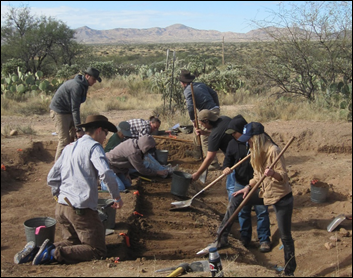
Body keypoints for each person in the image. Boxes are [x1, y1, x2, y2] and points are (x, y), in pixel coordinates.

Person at [14, 114, 124, 265]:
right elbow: (105, 173)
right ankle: (51, 253)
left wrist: (58, 196)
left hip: (61, 208)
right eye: (106, 133)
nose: (106, 137)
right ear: (99, 130)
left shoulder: (69, 147)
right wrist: (116, 197)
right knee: (97, 250)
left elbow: (52, 177)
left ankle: (35, 250)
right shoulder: (94, 147)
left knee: (73, 243)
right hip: (80, 209)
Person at [205, 122, 296, 276]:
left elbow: (284, 177)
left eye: (249, 138)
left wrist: (273, 174)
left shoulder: (273, 151)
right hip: (264, 192)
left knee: (286, 236)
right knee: (236, 199)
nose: (247, 141)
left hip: (280, 197)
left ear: (258, 137)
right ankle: (221, 237)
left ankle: (289, 271)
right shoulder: (255, 149)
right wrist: (248, 186)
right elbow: (257, 175)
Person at [223, 115, 271, 252]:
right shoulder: (232, 144)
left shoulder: (258, 142)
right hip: (240, 182)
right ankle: (245, 238)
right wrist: (226, 167)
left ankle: (264, 239)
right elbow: (228, 160)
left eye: (234, 133)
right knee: (242, 211)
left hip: (258, 183)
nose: (233, 135)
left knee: (261, 211)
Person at [49, 67, 102, 161]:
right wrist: (78, 128)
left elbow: (75, 108)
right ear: (87, 76)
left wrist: (77, 128)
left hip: (68, 111)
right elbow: (75, 108)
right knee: (64, 140)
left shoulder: (83, 85)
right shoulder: (77, 86)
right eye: (93, 79)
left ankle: (69, 162)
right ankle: (57, 169)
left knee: (72, 138)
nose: (94, 82)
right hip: (60, 112)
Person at [179, 69, 221, 169]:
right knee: (196, 130)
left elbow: (190, 106)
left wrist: (193, 119)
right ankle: (197, 152)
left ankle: (213, 163)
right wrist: (216, 106)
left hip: (207, 113)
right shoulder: (200, 84)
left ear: (183, 83)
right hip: (212, 110)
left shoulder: (188, 90)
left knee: (204, 137)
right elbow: (214, 93)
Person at [105, 135, 171, 190]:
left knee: (128, 184)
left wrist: (126, 173)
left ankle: (113, 179)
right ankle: (103, 182)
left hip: (117, 167)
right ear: (145, 147)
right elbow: (141, 170)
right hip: (108, 166)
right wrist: (157, 172)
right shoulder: (134, 152)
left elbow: (123, 161)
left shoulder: (136, 144)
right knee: (120, 187)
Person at [191, 109, 232, 181]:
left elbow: (210, 158)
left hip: (235, 158)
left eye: (202, 124)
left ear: (206, 121)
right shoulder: (224, 119)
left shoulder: (214, 137)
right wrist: (205, 133)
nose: (202, 126)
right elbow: (220, 134)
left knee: (232, 184)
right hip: (244, 149)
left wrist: (198, 174)